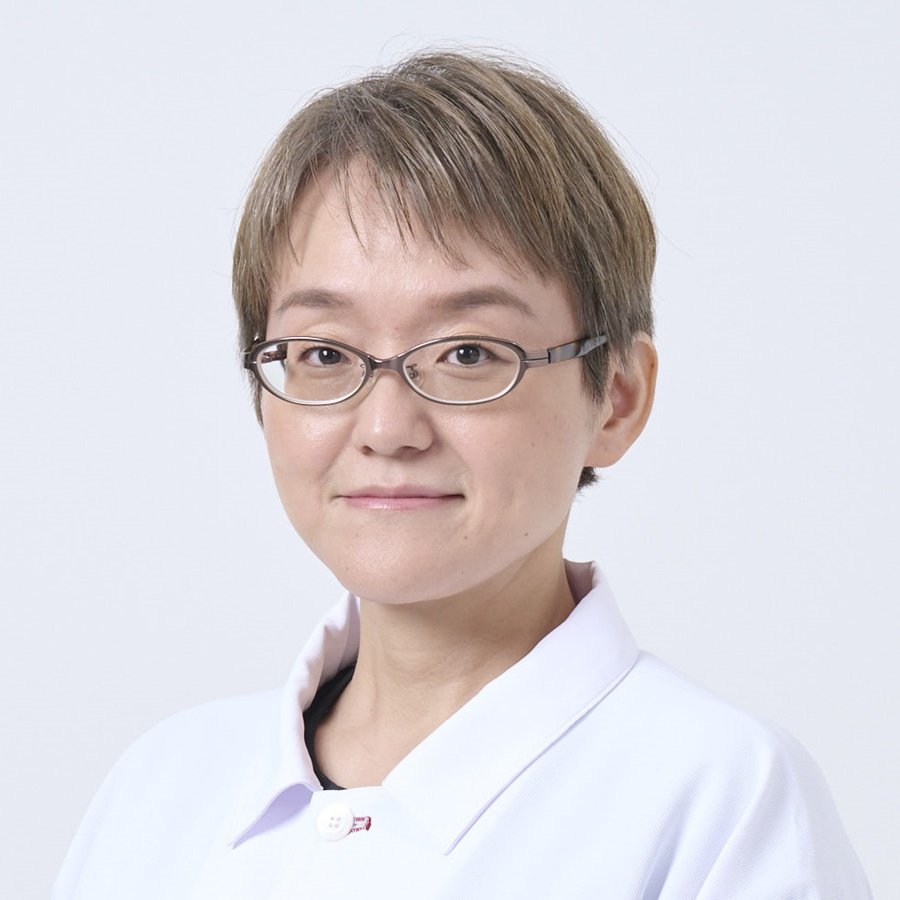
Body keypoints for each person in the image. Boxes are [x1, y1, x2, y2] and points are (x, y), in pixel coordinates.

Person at [53, 50, 872, 898]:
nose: (387, 429)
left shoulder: (724, 802)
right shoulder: (160, 790)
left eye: (469, 353)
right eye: (325, 354)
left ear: (617, 399)